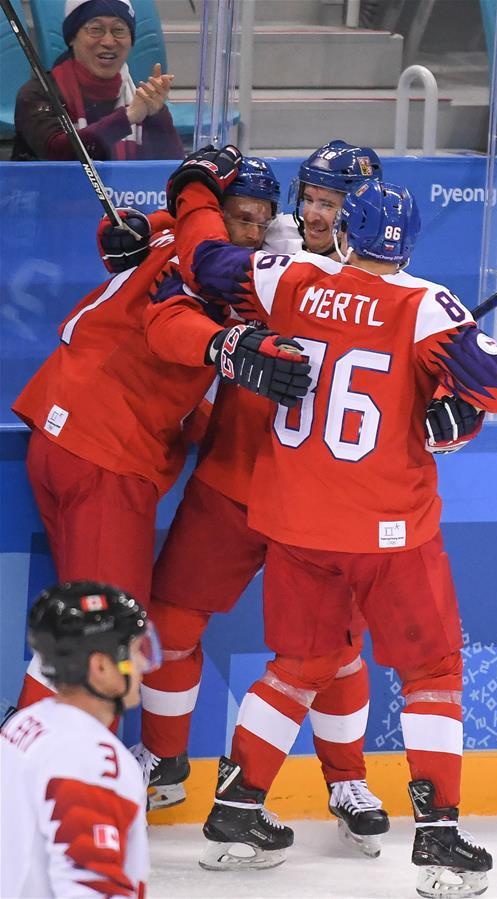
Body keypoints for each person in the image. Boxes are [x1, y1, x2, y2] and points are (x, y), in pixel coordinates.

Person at [165, 174, 497, 893]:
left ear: (344, 230)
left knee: (297, 663)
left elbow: (204, 262)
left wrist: (196, 195)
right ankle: (437, 840)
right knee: (430, 671)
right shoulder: (428, 307)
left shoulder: (287, 278)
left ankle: (236, 814)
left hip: (296, 520)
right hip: (389, 531)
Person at [127, 142, 395, 860]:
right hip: (233, 478)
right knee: (170, 622)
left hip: (320, 505)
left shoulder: (393, 290)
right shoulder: (267, 265)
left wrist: (456, 415)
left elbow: (441, 368)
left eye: (331, 202)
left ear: (362, 211)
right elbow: (197, 259)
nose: (313, 213)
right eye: (307, 196)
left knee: (332, 650)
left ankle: (346, 780)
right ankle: (163, 762)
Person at [11, 148, 310, 710]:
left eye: (259, 219)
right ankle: (32, 775)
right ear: (215, 213)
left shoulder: (175, 234)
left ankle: (37, 766)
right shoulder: (213, 269)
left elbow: (127, 230)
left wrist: (126, 227)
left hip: (63, 432)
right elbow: (168, 329)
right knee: (105, 637)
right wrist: (227, 345)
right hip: (106, 455)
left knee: (86, 622)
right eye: (238, 216)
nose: (250, 232)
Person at [0, 580, 161, 899]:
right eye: (132, 652)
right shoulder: (92, 757)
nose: (143, 665)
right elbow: (90, 887)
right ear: (99, 666)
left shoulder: (24, 726)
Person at [12, 0, 184, 161]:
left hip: (125, 194)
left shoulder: (140, 100)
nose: (109, 42)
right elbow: (56, 152)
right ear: (72, 38)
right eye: (95, 29)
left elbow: (171, 171)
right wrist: (127, 117)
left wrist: (158, 115)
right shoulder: (38, 93)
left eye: (118, 30)